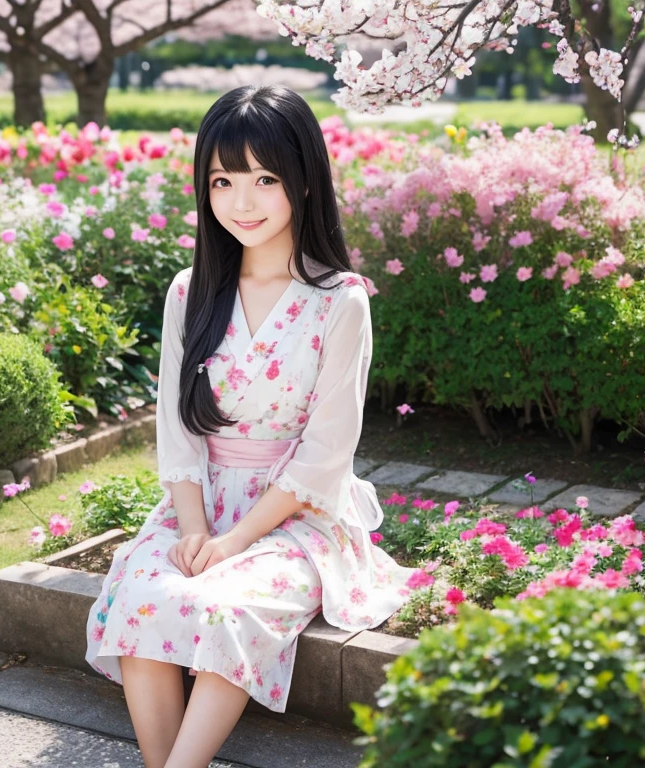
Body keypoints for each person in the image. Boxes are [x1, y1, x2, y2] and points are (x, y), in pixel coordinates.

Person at [85, 84, 418, 768]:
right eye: (223, 179)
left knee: (230, 608)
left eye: (265, 178)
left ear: (302, 181)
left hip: (295, 518)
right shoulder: (191, 289)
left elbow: (327, 451)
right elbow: (178, 431)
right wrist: (195, 529)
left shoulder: (338, 301)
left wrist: (236, 540)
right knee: (145, 602)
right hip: (201, 505)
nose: (242, 200)